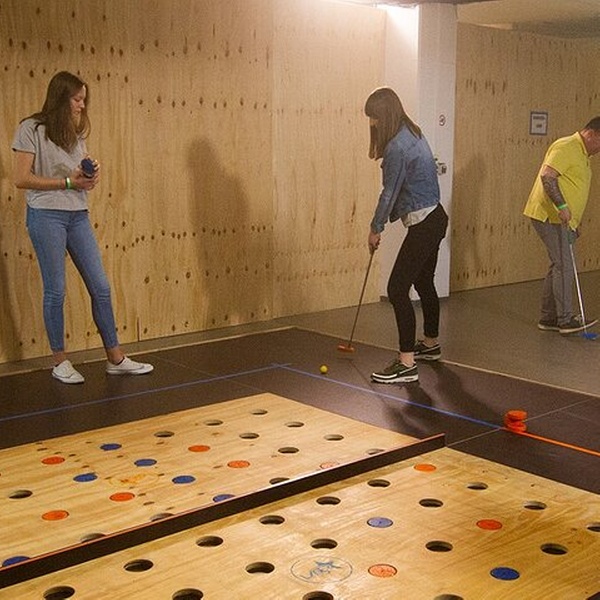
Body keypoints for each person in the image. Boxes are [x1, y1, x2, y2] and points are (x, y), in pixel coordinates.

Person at [12, 71, 153, 384]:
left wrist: (89, 176)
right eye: (77, 99)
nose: (81, 105)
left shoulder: (75, 134)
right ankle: (60, 361)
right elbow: (21, 178)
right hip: (45, 215)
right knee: (56, 289)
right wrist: (67, 182)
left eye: (83, 100)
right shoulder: (30, 128)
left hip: (77, 214)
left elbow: (77, 177)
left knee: (101, 286)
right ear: (61, 98)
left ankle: (115, 358)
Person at [365, 87, 448, 384]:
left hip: (425, 223)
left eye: (374, 117)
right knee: (423, 282)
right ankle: (430, 344)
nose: (372, 123)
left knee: (397, 289)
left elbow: (389, 193)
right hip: (436, 217)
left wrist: (376, 228)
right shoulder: (413, 132)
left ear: (384, 115)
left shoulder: (397, 147)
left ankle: (406, 364)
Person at [523, 117, 600, 335]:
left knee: (558, 264)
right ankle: (565, 320)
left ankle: (548, 317)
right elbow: (547, 177)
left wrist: (574, 221)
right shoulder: (568, 146)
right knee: (564, 265)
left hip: (563, 219)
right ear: (592, 134)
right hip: (550, 216)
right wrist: (562, 206)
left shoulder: (583, 153)